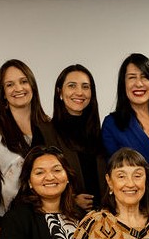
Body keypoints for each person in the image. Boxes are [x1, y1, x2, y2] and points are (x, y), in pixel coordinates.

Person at [0, 59, 48, 211]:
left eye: (23, 81)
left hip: (46, 215)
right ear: (2, 93)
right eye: (10, 85)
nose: (18, 88)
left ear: (32, 86)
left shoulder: (49, 126)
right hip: (7, 216)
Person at [101, 53, 149, 194]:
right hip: (132, 205)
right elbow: (113, 173)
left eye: (145, 77)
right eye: (132, 77)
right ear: (123, 84)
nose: (139, 83)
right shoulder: (112, 124)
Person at [38, 64, 107, 212]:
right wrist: (70, 200)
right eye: (72, 86)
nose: (79, 92)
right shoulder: (45, 132)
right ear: (60, 93)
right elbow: (35, 182)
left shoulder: (99, 133)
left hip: (102, 221)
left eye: (85, 87)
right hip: (65, 220)